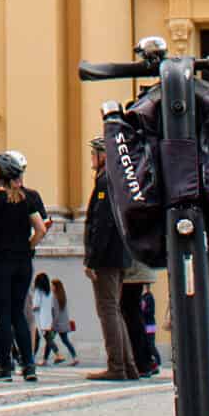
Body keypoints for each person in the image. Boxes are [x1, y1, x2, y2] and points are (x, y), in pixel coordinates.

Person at [0, 150, 48, 383]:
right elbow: (41, 229)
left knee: (3, 314)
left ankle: (4, 365)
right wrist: (28, 246)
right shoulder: (29, 198)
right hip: (23, 262)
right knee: (18, 314)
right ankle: (28, 365)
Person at [81, 135, 139, 381]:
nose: (91, 158)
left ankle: (117, 366)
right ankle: (128, 366)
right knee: (115, 310)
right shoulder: (117, 180)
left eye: (94, 153)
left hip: (107, 257)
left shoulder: (106, 182)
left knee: (108, 311)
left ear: (103, 155)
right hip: (119, 255)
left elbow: (102, 224)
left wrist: (92, 259)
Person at [47, 276, 79, 365]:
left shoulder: (54, 298)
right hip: (64, 324)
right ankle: (75, 358)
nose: (50, 287)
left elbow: (56, 314)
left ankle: (57, 356)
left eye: (52, 285)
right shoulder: (63, 296)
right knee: (65, 341)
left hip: (57, 324)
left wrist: (52, 325)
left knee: (49, 339)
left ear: (55, 287)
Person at [29, 271, 54, 362]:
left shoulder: (38, 291)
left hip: (39, 319)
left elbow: (36, 306)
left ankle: (31, 359)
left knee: (37, 339)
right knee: (47, 338)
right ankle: (45, 359)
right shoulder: (50, 292)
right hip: (48, 318)